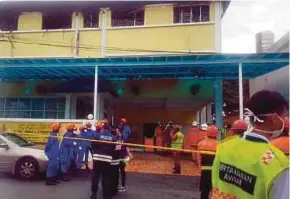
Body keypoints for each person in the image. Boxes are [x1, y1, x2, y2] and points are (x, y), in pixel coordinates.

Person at [211, 90, 289, 199]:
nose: (286, 120)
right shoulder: (276, 163)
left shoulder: (225, 146)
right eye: (284, 116)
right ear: (274, 118)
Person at [90, 121, 116, 199]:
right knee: (106, 177)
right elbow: (114, 148)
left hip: (97, 157)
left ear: (102, 127)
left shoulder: (97, 135)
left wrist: (95, 152)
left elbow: (92, 145)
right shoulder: (112, 137)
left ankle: (94, 194)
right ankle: (106, 195)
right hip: (107, 159)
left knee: (95, 176)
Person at [197, 125, 219, 199]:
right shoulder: (219, 145)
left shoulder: (201, 143)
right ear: (217, 134)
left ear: (207, 133)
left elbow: (198, 157)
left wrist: (200, 165)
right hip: (215, 170)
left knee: (205, 190)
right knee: (215, 189)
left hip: (204, 169)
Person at [109, 126, 122, 197]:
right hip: (112, 160)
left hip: (114, 160)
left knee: (114, 176)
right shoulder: (116, 139)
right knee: (112, 176)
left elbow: (118, 149)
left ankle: (113, 190)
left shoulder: (118, 140)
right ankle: (112, 190)